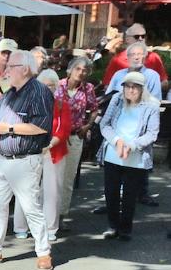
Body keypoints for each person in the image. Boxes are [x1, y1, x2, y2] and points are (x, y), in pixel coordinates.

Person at [0, 50, 54, 270]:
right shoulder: (10, 93)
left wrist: (9, 128)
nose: (5, 71)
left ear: (24, 69)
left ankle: (44, 253)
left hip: (24, 160)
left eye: (10, 67)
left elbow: (41, 127)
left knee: (31, 207)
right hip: (1, 159)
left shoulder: (39, 91)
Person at [99, 71, 159, 241]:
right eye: (127, 86)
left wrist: (132, 146)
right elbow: (105, 124)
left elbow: (152, 133)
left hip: (136, 157)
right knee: (111, 192)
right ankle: (113, 226)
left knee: (130, 195)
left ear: (142, 89)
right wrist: (117, 141)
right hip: (113, 154)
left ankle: (125, 229)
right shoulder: (116, 99)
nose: (131, 90)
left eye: (135, 87)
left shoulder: (151, 106)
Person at [13, 69, 69, 244]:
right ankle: (21, 227)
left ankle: (50, 228)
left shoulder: (62, 104)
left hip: (54, 152)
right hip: (30, 151)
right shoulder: (28, 103)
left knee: (52, 192)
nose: (47, 88)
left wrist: (50, 144)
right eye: (44, 85)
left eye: (51, 85)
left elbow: (64, 128)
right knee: (26, 190)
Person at [105, 42, 162, 209]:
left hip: (141, 124)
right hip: (119, 123)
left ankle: (141, 194)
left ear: (144, 57)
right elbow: (110, 96)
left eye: (140, 54)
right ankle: (114, 200)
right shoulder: (118, 75)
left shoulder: (152, 75)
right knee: (115, 167)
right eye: (133, 54)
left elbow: (156, 100)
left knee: (138, 163)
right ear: (127, 57)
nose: (136, 57)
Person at [54, 56, 99, 223]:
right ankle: (46, 215)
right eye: (78, 69)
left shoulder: (88, 89)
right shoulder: (57, 86)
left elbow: (94, 109)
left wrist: (87, 126)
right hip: (56, 138)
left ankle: (62, 214)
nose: (81, 72)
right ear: (70, 70)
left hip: (75, 137)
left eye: (84, 70)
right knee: (51, 178)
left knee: (68, 178)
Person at [102, 22, 168, 89]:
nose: (140, 39)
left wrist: (148, 90)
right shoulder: (117, 60)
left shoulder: (154, 57)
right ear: (127, 39)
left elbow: (164, 82)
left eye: (143, 36)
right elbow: (107, 85)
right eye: (136, 36)